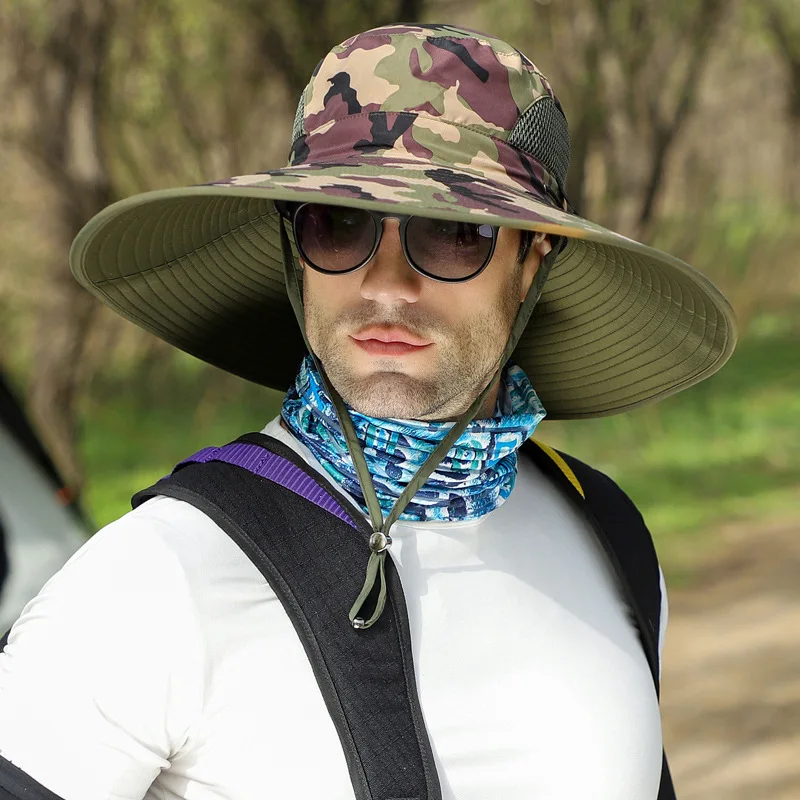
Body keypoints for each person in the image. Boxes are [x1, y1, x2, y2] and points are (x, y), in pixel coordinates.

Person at [0, 23, 736, 800]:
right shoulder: (156, 578)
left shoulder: (608, 537)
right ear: (294, 254)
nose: (387, 283)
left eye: (456, 234)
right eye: (339, 225)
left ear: (532, 258)